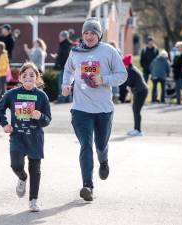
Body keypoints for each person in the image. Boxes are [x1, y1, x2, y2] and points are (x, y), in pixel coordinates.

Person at [62, 17, 127, 201]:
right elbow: (67, 70)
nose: (89, 36)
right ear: (82, 34)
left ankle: (103, 160)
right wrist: (66, 85)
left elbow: (122, 75)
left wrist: (103, 79)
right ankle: (87, 186)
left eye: (92, 33)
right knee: (85, 146)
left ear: (99, 35)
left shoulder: (109, 51)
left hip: (103, 109)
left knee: (100, 145)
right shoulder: (75, 52)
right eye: (86, 32)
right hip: (81, 109)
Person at [0, 62, 51, 212]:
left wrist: (40, 116)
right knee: (16, 165)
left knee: (35, 169)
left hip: (35, 137)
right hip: (17, 136)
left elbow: (47, 120)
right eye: (25, 75)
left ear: (37, 78)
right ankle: (22, 177)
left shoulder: (41, 96)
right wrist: (4, 124)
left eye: (32, 75)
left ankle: (34, 200)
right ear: (20, 78)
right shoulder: (12, 94)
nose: (28, 78)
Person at [122, 54, 148, 136]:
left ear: (126, 64)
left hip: (141, 91)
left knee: (136, 110)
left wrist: (121, 82)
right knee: (135, 109)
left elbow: (129, 82)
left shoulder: (131, 70)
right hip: (139, 91)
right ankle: (136, 129)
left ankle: (138, 130)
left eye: (123, 64)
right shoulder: (131, 69)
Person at [52, 30, 72, 103]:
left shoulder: (64, 45)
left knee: (61, 83)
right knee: (67, 83)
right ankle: (68, 98)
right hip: (68, 67)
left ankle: (62, 98)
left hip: (65, 67)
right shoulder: (68, 44)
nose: (59, 38)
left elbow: (65, 56)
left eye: (60, 36)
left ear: (63, 37)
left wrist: (58, 59)